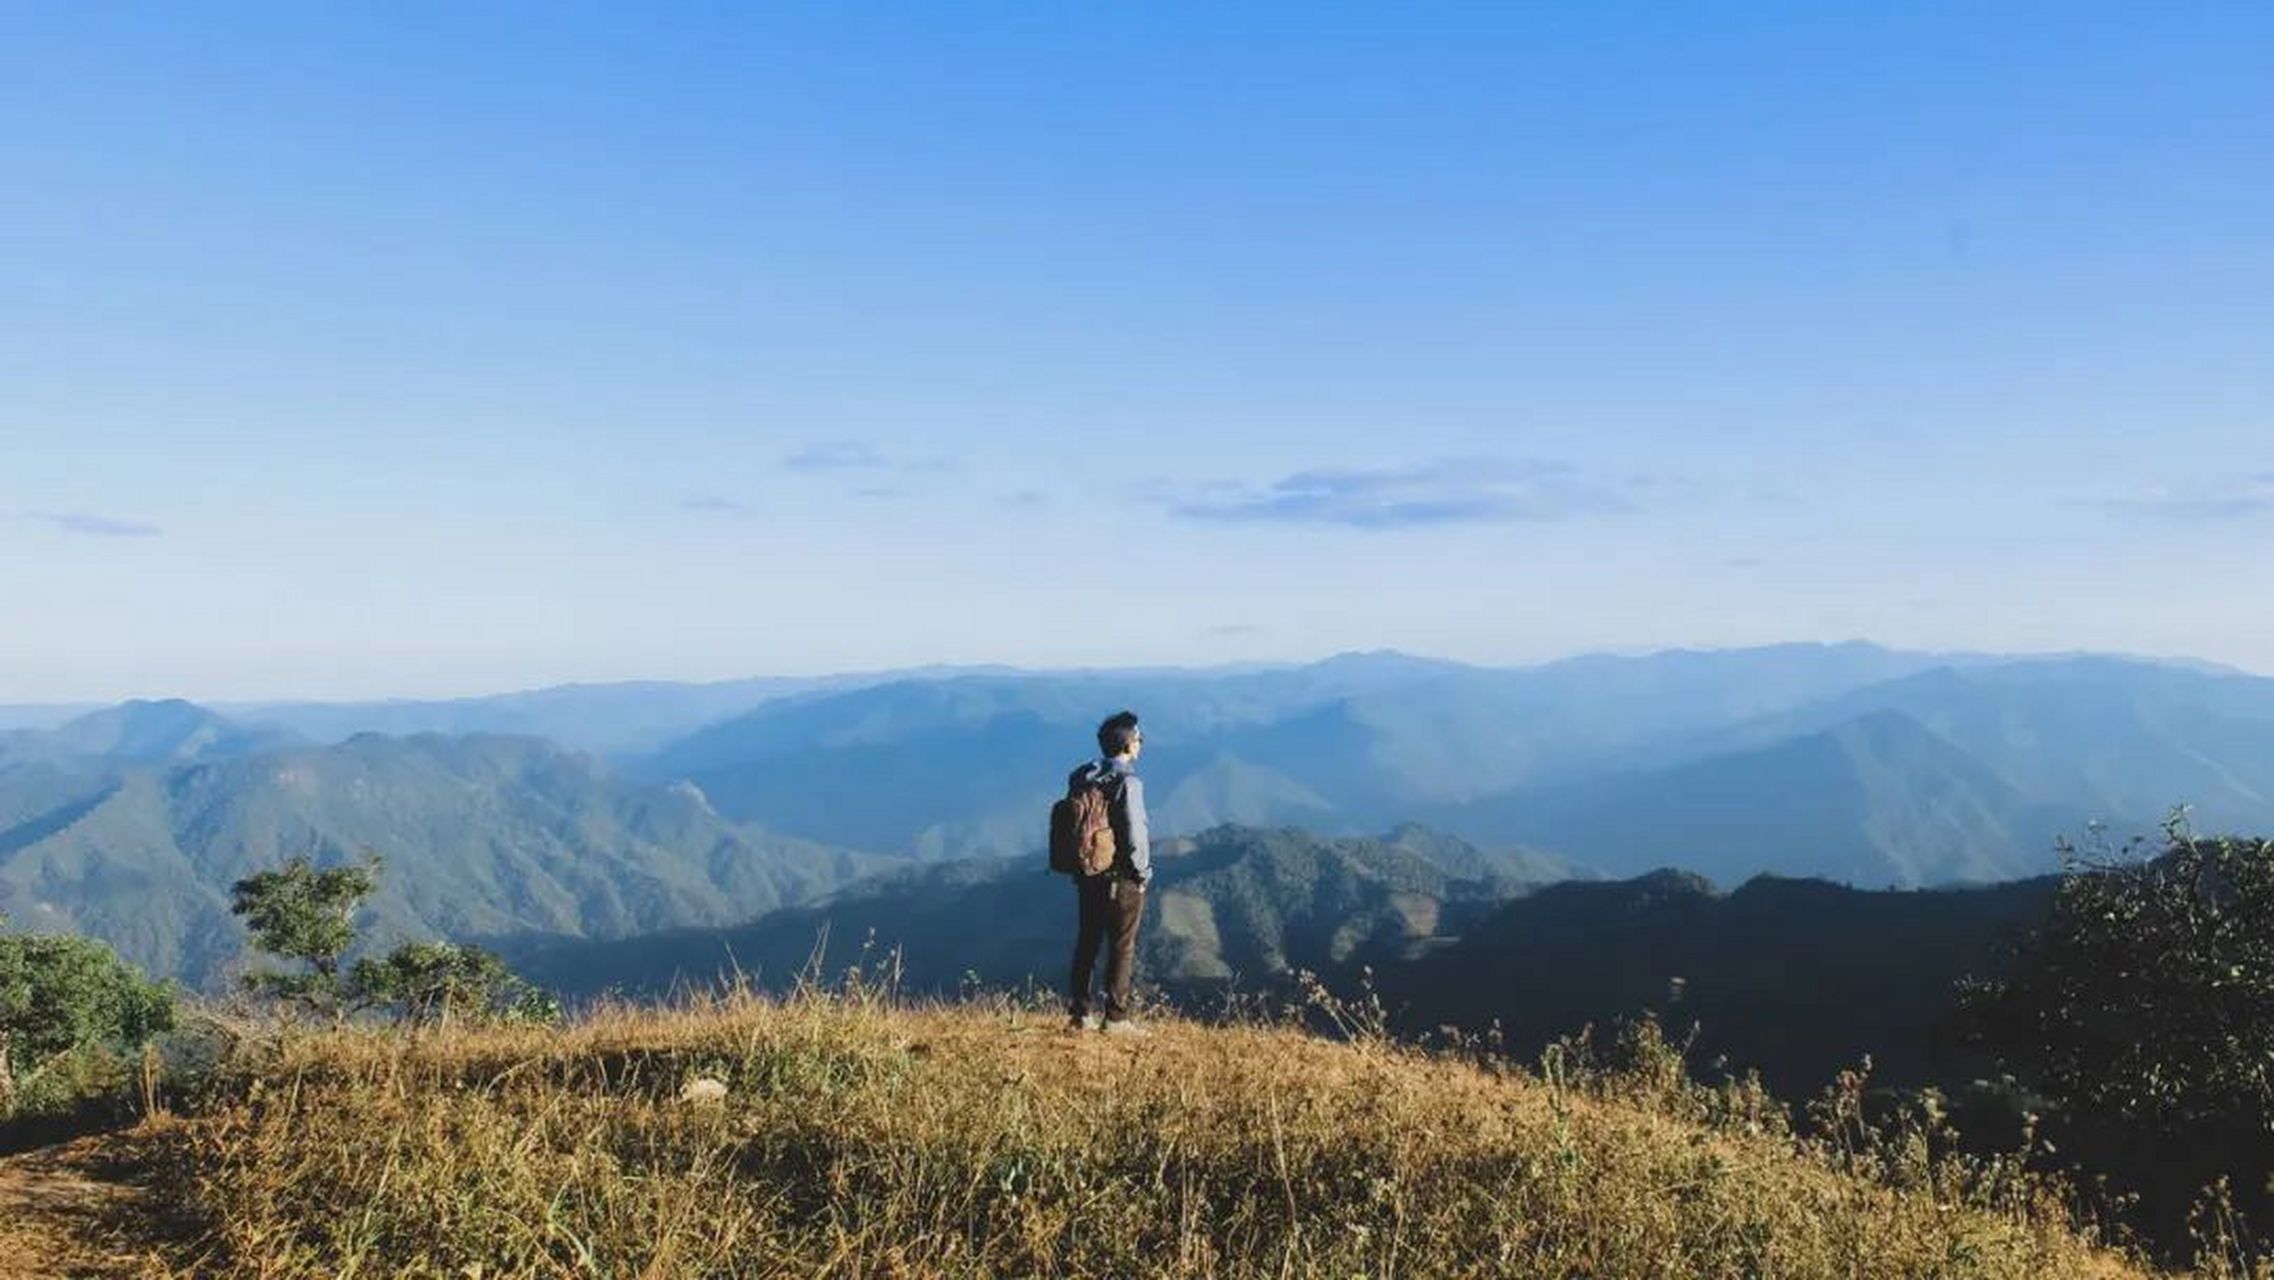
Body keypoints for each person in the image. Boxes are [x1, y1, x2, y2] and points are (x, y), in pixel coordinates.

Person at [1069, 709, 1151, 1035]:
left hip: (1087, 873)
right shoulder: (1127, 782)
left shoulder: (1081, 777)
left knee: (1087, 940)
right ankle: (1115, 1018)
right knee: (1121, 945)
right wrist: (1142, 873)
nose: (1141, 744)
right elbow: (1134, 833)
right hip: (1121, 878)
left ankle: (1080, 1014)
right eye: (1140, 739)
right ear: (1130, 744)